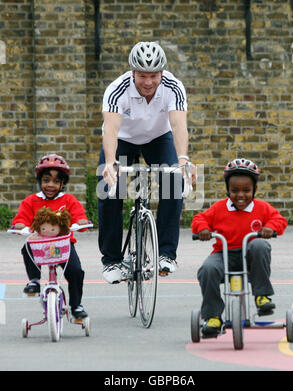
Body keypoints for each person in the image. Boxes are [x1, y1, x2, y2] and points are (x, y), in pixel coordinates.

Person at [98, 41, 194, 284]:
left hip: (158, 138)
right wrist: (110, 163)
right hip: (123, 140)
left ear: (162, 72)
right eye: (142, 76)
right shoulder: (117, 89)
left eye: (154, 76)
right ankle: (111, 260)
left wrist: (183, 159)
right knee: (109, 190)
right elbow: (110, 129)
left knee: (174, 183)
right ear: (133, 72)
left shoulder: (173, 87)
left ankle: (166, 254)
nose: (148, 82)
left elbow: (179, 125)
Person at [191, 158, 287, 338]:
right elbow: (199, 219)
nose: (240, 195)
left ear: (255, 190)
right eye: (235, 191)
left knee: (259, 244)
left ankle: (262, 297)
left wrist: (270, 228)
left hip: (250, 258)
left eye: (246, 190)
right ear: (227, 190)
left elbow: (279, 219)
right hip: (224, 254)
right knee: (207, 269)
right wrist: (203, 229)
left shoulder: (261, 208)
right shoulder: (219, 208)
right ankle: (213, 317)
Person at [11, 154, 89, 319]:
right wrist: (20, 225)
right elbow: (21, 219)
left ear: (62, 184)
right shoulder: (31, 201)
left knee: (75, 271)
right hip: (39, 246)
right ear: (40, 181)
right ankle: (34, 281)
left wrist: (81, 222)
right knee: (27, 247)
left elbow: (78, 216)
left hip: (63, 245)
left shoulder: (68, 200)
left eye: (56, 181)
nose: (50, 185)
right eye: (46, 180)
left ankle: (76, 305)